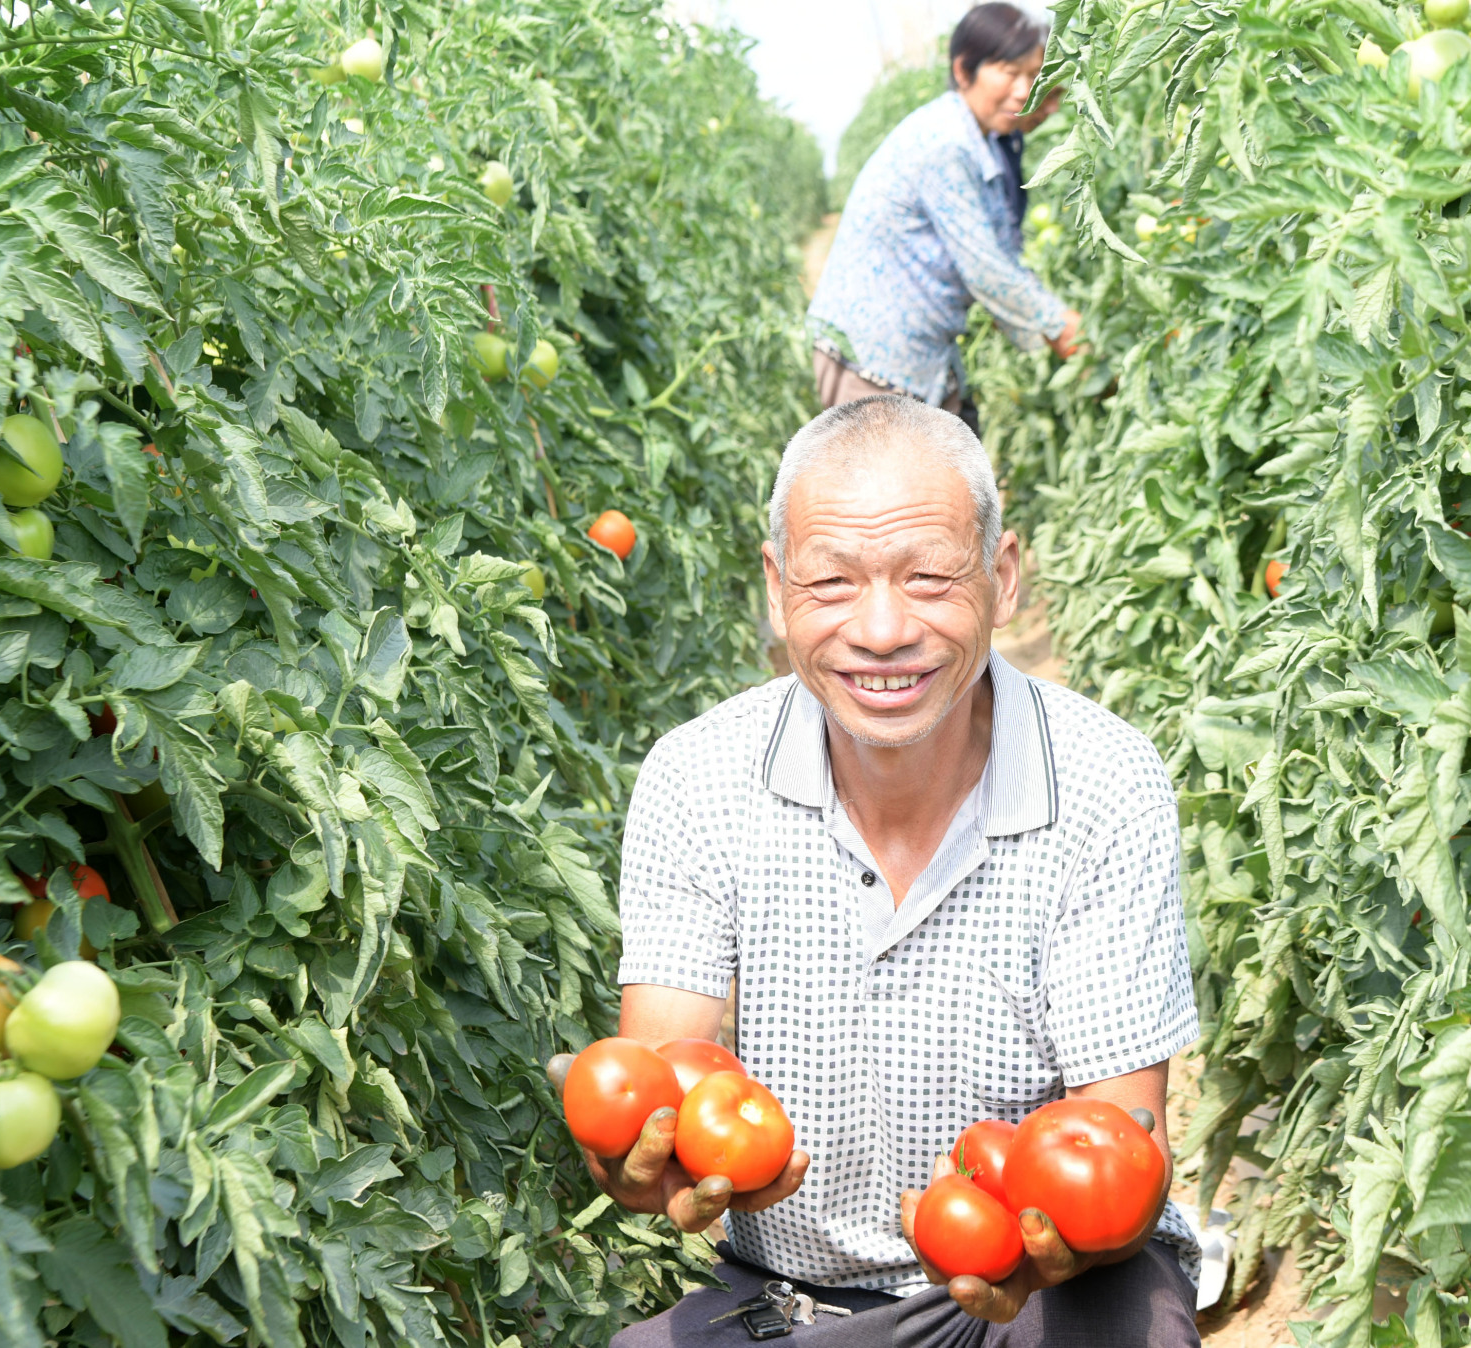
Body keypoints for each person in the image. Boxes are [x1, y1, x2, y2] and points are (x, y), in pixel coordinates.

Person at [557, 397, 1204, 1346]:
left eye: (931, 576)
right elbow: (660, 1077)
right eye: (833, 583)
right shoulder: (696, 778)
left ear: (1004, 575)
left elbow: (1118, 1139)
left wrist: (1065, 1236)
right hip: (790, 1300)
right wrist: (642, 1161)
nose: (884, 629)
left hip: (1037, 1292)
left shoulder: (1103, 784)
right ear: (777, 590)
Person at [807, 5, 1083, 434]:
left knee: (955, 472)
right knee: (894, 491)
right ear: (963, 69)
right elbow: (985, 267)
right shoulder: (946, 144)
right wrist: (1063, 328)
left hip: (915, 353)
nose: (1025, 91)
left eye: (1036, 78)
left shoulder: (983, 141)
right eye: (1011, 73)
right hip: (873, 358)